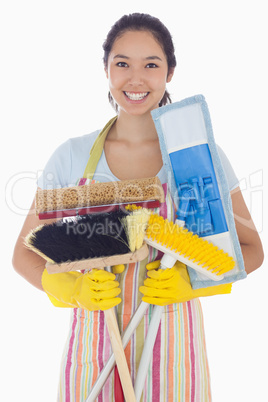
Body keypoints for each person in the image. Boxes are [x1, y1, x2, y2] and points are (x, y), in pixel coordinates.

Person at [13, 13, 263, 402]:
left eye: (151, 64)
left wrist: (191, 281)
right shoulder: (72, 155)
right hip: (91, 354)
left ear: (170, 72)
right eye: (122, 63)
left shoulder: (199, 157)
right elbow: (23, 254)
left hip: (175, 352)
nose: (135, 78)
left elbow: (251, 250)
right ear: (107, 70)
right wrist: (70, 287)